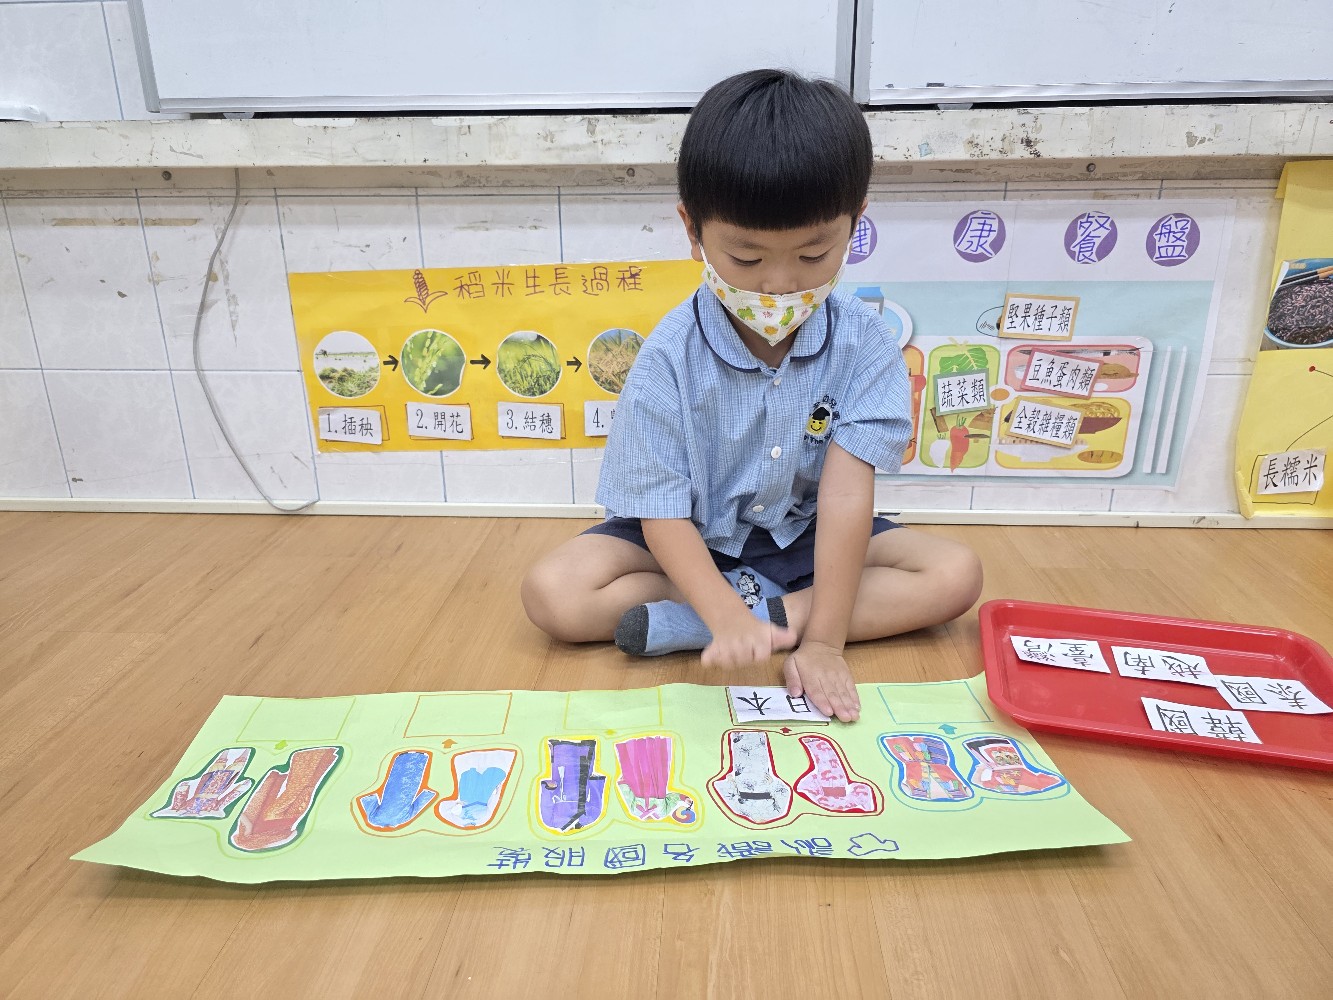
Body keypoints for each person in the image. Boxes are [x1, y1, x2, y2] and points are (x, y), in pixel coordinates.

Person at [523, 69, 982, 722]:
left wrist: (823, 644)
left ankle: (765, 618)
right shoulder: (668, 357)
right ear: (692, 230)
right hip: (687, 535)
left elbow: (845, 497)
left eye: (813, 254)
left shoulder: (865, 343)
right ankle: (734, 612)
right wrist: (721, 613)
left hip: (807, 537)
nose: (778, 284)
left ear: (855, 223)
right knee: (554, 594)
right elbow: (660, 512)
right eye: (745, 258)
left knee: (955, 575)